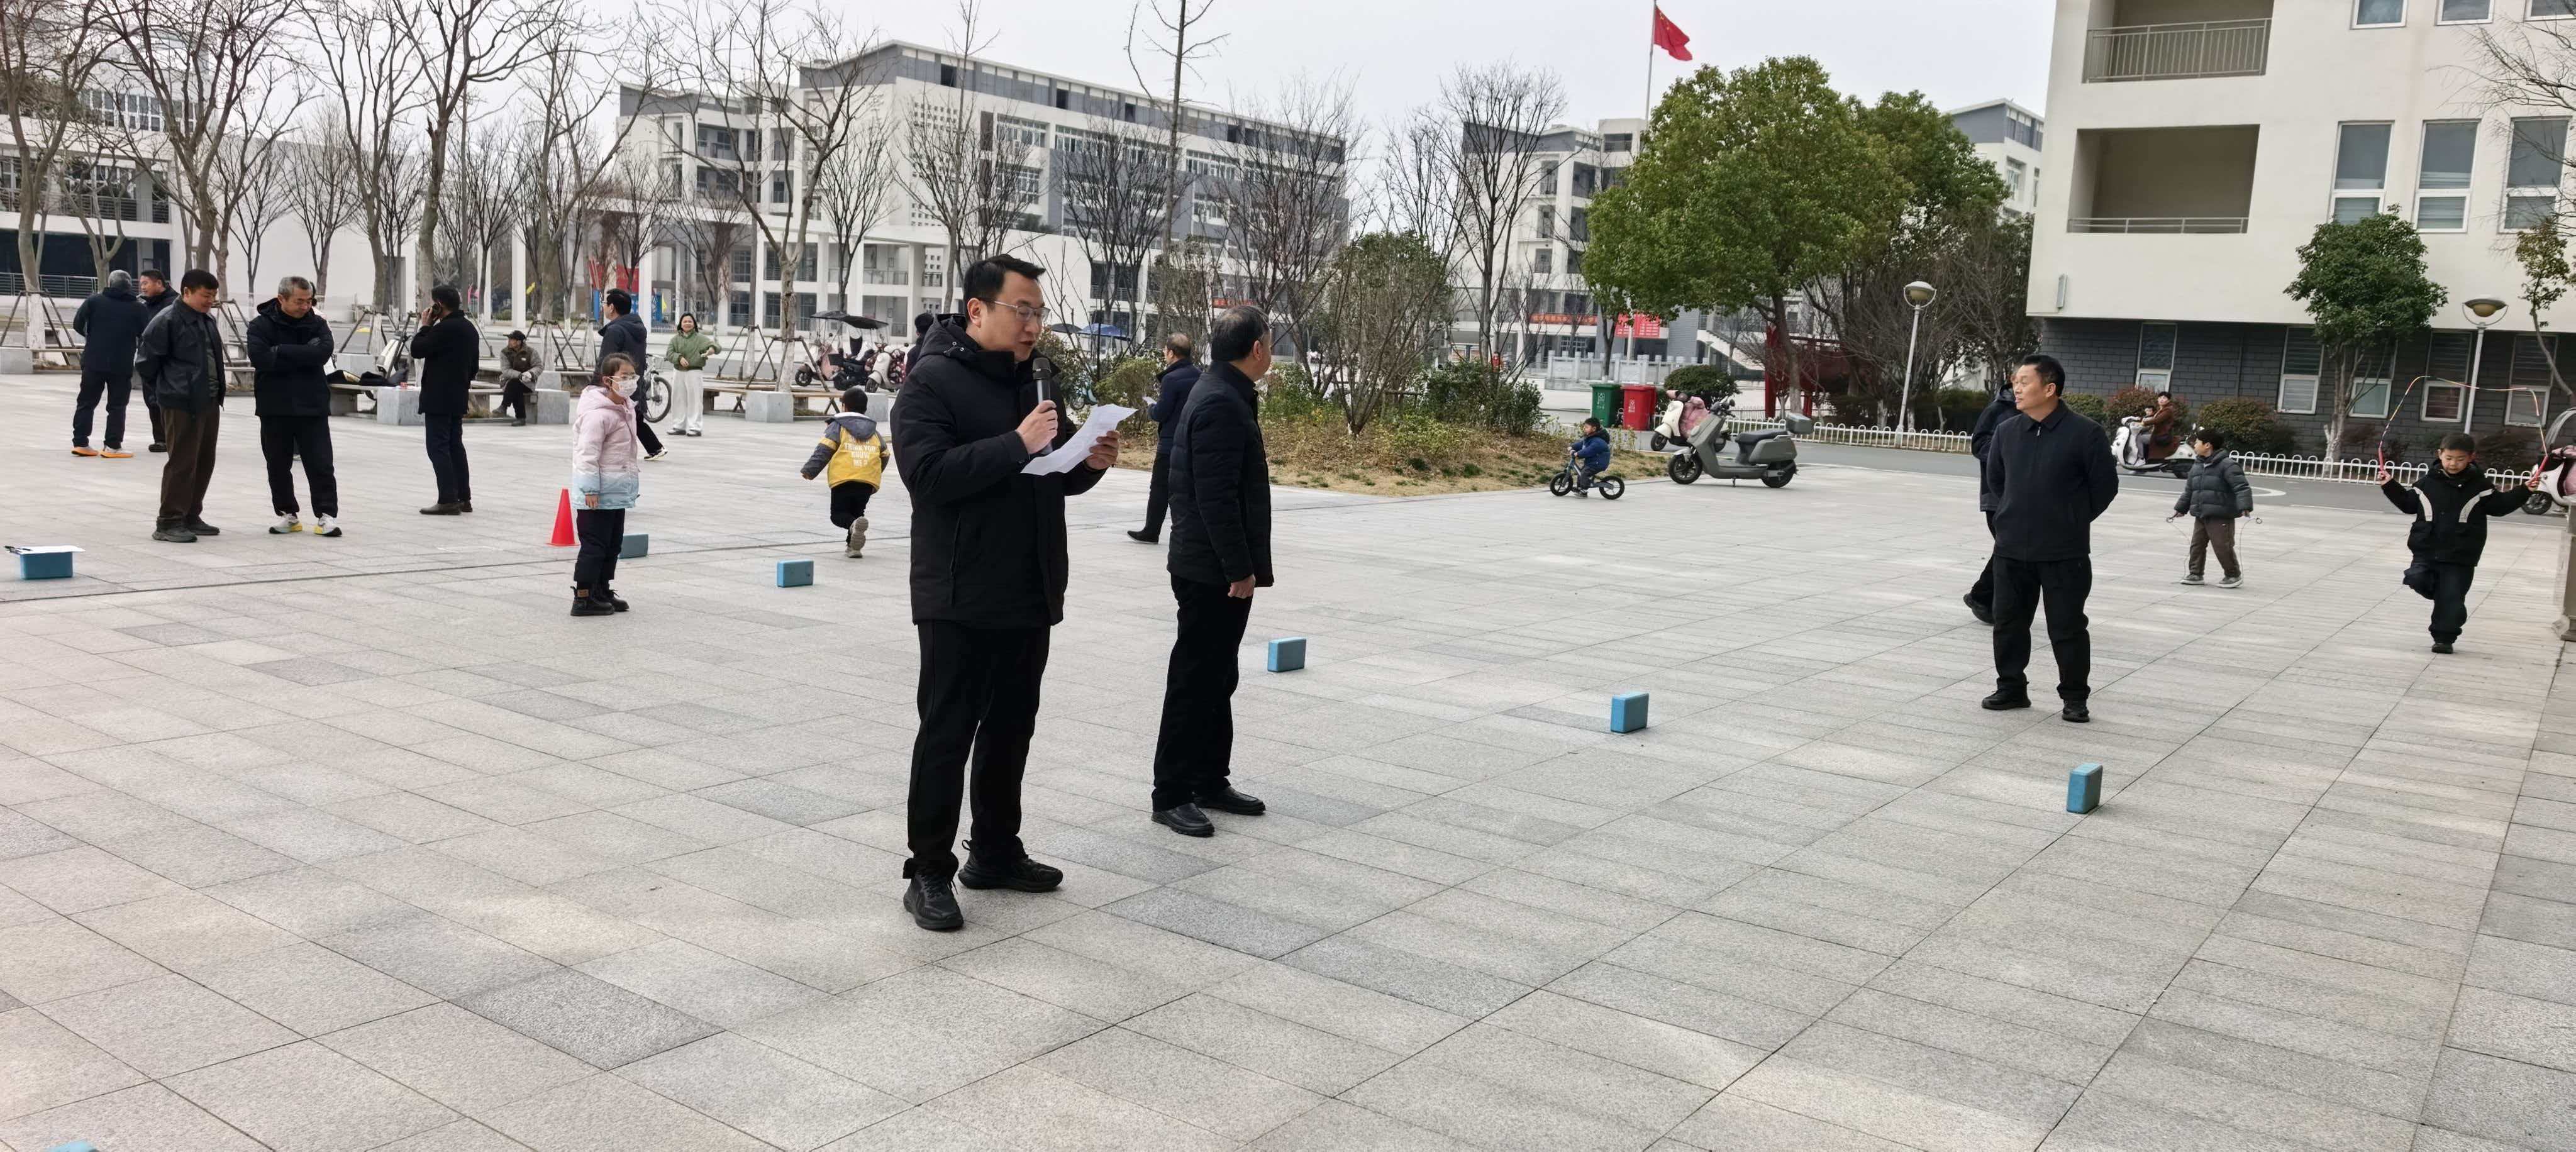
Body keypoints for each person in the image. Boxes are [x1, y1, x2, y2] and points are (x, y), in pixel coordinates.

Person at [891, 255, 1116, 931]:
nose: (1033, 325)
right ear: (977, 310)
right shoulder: (930, 380)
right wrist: (1015, 442)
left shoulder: (1036, 380)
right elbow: (928, 475)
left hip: (1028, 584)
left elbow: (1053, 473)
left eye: (1039, 312)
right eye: (1023, 310)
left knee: (1012, 726)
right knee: (948, 731)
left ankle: (993, 850)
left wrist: (1090, 462)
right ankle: (928, 870)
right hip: (959, 590)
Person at [1149, 306, 1274, 837]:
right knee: (1195, 680)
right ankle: (1171, 793)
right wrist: (1239, 569)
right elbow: (1215, 498)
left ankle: (1208, 778)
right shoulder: (1221, 400)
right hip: (1210, 570)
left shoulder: (1224, 390)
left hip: (1209, 562)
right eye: (1269, 341)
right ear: (1257, 349)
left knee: (1219, 676)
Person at [1982, 353, 2117, 724]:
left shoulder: (2085, 433)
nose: (2016, 388)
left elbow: (2104, 486)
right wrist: (2011, 519)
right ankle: (2011, 688)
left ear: (2050, 389)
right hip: (2011, 548)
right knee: (2008, 623)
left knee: (2067, 627)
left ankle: (2074, 697)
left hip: (2064, 551)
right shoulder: (2008, 431)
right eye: (2015, 382)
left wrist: (2069, 520)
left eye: (2024, 382)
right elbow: (1997, 482)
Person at [2381, 433, 2544, 654]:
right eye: (2449, 458)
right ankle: (2443, 596)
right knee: (2417, 578)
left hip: (2461, 553)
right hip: (2427, 549)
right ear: (2440, 454)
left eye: (2460, 459)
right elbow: (2409, 504)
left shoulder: (2480, 485)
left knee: (2452, 598)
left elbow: (2499, 506)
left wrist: (2525, 491)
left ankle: (2444, 638)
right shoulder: (2427, 482)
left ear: (2471, 457)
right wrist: (2389, 485)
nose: (2453, 464)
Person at [247, 276, 342, 538]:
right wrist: (303, 354)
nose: (305, 306)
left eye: (309, 301)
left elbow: (322, 353)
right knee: (277, 464)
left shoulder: (317, 323)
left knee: (321, 463)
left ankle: (326, 515)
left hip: (312, 404)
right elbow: (261, 358)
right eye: (299, 301)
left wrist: (280, 351)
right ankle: (287, 514)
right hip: (274, 405)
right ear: (282, 299)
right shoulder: (260, 325)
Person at [138, 269, 228, 543]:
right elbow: (146, 364)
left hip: (208, 400)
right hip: (180, 402)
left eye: (213, 296)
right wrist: (169, 391)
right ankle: (168, 521)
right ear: (187, 292)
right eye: (205, 295)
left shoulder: (207, 320)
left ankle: (190, 515)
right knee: (182, 462)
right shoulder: (167, 320)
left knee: (204, 461)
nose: (210, 301)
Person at [569, 354, 644, 616]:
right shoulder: (597, 415)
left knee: (612, 545)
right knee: (594, 545)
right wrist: (589, 489)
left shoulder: (625, 409)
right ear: (608, 381)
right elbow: (586, 455)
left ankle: (601, 589)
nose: (630, 381)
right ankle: (583, 597)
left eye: (633, 376)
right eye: (624, 377)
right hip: (596, 494)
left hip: (615, 491)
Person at [411, 283, 480, 514]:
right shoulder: (470, 329)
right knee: (455, 446)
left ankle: (448, 499)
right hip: (458, 396)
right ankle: (463, 497)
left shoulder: (442, 330)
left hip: (438, 397)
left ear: (439, 305)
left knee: (437, 447)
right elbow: (474, 367)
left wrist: (425, 327)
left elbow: (417, 349)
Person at [1130, 332, 1202, 544]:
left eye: (1164, 350)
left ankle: (1151, 531)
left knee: (1160, 488)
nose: (1164, 354)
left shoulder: (1171, 379)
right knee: (1187, 491)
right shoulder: (1200, 375)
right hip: (1193, 443)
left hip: (1170, 444)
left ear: (1171, 353)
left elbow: (1162, 413)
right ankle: (1189, 533)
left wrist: (1151, 408)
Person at [70, 270, 150, 458]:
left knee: (86, 402)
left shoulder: (94, 301)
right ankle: (112, 445)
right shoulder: (138, 308)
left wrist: (93, 338)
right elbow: (145, 334)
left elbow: (77, 324)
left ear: (110, 283)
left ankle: (81, 443)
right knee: (117, 405)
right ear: (129, 286)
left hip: (93, 360)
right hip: (121, 363)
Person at [799, 385, 887, 558]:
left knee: (838, 515)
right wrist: (874, 471)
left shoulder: (838, 427)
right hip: (867, 479)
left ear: (844, 407)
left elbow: (824, 450)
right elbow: (885, 454)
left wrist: (810, 470)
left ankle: (853, 527)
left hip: (844, 478)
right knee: (857, 513)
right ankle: (853, 548)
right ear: (865, 408)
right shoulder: (874, 431)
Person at [1962, 382, 2020, 624]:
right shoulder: (1997, 410)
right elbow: (1979, 445)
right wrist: (2011, 455)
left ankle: (1989, 600)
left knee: (2014, 549)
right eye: (2021, 381)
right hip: (1998, 497)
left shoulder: (2042, 412)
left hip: (2030, 497)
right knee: (2012, 547)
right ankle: (1983, 597)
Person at [2172, 427, 2251, 588]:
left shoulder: (2228, 465)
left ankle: (2233, 575)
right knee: (2197, 545)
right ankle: (2195, 574)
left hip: (2221, 515)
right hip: (2201, 513)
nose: (2194, 445)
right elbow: (2190, 490)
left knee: (2222, 546)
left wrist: (2245, 506)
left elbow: (2242, 487)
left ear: (2207, 445)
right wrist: (2181, 508)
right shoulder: (2197, 465)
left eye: (2197, 442)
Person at [598, 289, 665, 460]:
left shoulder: (615, 331)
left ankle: (610, 452)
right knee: (634, 417)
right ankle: (655, 448)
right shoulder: (637, 328)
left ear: (612, 307)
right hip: (634, 381)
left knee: (617, 418)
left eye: (605, 304)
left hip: (617, 384)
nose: (603, 307)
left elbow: (605, 362)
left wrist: (596, 386)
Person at [136, 268, 175, 451]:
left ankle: (173, 438)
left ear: (159, 283)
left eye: (146, 283)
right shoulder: (145, 305)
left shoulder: (174, 304)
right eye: (141, 284)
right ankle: (160, 439)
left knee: (168, 402)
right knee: (152, 401)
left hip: (168, 362)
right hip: (149, 360)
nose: (142, 287)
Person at [665, 313, 718, 438]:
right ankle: (679, 426)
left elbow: (715, 346)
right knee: (678, 399)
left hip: (694, 372)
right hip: (678, 372)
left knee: (695, 400)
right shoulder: (675, 339)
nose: (687, 323)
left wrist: (711, 350)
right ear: (681, 324)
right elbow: (669, 353)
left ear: (694, 324)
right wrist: (679, 358)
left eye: (690, 321)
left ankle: (695, 427)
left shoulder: (700, 338)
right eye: (685, 321)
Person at [497, 331, 540, 426]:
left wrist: (531, 374)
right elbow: (506, 370)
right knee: (515, 385)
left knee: (515, 386)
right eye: (509, 339)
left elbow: (539, 366)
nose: (509, 341)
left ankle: (504, 407)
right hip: (508, 382)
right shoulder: (505, 352)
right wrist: (520, 375)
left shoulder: (531, 352)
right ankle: (521, 418)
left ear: (519, 342)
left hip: (527, 383)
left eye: (511, 339)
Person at [1571, 417, 1611, 496]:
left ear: (1594, 429)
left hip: (1598, 463)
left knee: (1584, 473)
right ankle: (1580, 487)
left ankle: (1584, 491)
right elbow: (1582, 444)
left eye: (1586, 427)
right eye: (1584, 427)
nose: (1584, 429)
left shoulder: (1598, 441)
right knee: (1581, 472)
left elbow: (1589, 450)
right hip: (1592, 462)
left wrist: (1578, 454)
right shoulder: (1590, 438)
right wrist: (1572, 447)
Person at [2139, 391, 2181, 463]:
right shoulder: (2162, 410)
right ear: (2158, 399)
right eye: (2160, 398)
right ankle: (2145, 458)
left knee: (2139, 438)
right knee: (2142, 435)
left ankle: (2141, 459)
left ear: (2168, 400)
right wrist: (2138, 419)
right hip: (2157, 433)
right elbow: (2152, 417)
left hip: (2161, 434)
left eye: (2164, 398)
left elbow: (2157, 420)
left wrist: (2143, 423)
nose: (2162, 399)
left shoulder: (2168, 410)